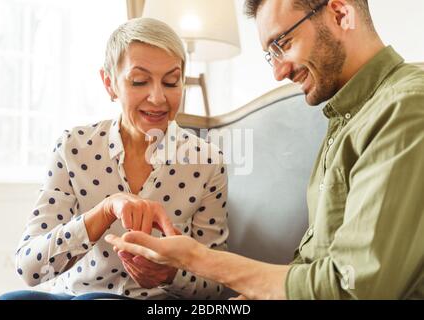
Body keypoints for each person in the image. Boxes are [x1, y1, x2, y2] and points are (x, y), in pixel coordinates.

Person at [105, 0, 424, 300]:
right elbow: (316, 268)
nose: (279, 72)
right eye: (270, 55)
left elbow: (353, 287)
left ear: (340, 13)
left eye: (282, 43)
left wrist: (194, 257)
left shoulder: (406, 107)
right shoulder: (347, 118)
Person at [0, 18, 229, 300]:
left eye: (171, 82)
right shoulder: (73, 147)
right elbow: (29, 267)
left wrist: (169, 275)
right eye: (140, 81)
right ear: (110, 84)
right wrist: (104, 211)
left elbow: (218, 284)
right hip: (72, 295)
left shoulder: (206, 161)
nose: (158, 98)